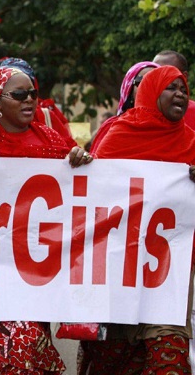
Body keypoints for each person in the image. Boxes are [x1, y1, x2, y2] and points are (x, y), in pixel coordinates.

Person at [0, 67, 91, 375]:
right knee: (14, 342)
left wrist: (82, 162)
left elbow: (80, 194)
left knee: (28, 347)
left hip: (40, 269)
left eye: (33, 94)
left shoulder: (53, 141)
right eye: (19, 95)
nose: (29, 100)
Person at [86, 65, 195, 374]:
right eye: (171, 88)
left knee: (169, 359)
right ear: (150, 93)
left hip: (169, 270)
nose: (180, 94)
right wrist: (82, 165)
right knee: (114, 361)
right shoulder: (120, 134)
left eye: (183, 89)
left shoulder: (191, 142)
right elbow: (92, 196)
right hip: (119, 267)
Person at [88, 61, 159, 152]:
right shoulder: (111, 127)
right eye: (141, 81)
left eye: (155, 82)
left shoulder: (174, 131)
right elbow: (97, 159)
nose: (148, 87)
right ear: (129, 89)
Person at [153, 50, 195, 130]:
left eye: (166, 72)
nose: (159, 78)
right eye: (155, 72)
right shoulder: (141, 113)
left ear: (184, 76)